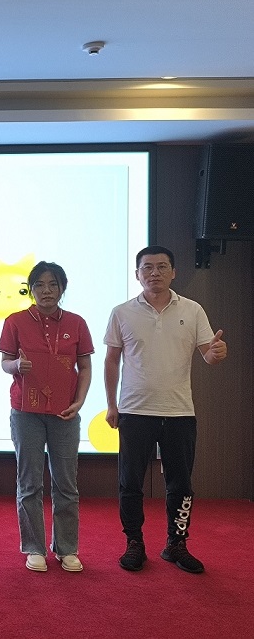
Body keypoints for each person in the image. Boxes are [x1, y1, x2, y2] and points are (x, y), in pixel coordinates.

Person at [104, 245, 227, 574]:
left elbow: (208, 354)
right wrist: (112, 405)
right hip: (134, 411)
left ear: (173, 272)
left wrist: (216, 354)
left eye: (161, 266)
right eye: (147, 267)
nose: (154, 273)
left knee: (181, 485)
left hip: (179, 412)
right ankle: (134, 542)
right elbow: (111, 361)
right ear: (137, 274)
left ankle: (177, 543)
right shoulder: (122, 312)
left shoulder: (193, 309)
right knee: (130, 483)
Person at [0, 261, 92, 573]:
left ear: (62, 288)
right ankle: (34, 547)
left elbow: (85, 366)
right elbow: (5, 362)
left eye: (53, 284)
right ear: (31, 289)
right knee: (29, 482)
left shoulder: (76, 323)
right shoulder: (15, 321)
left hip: (65, 412)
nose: (46, 290)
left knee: (66, 483)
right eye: (39, 285)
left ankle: (67, 548)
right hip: (26, 412)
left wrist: (79, 401)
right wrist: (16, 366)